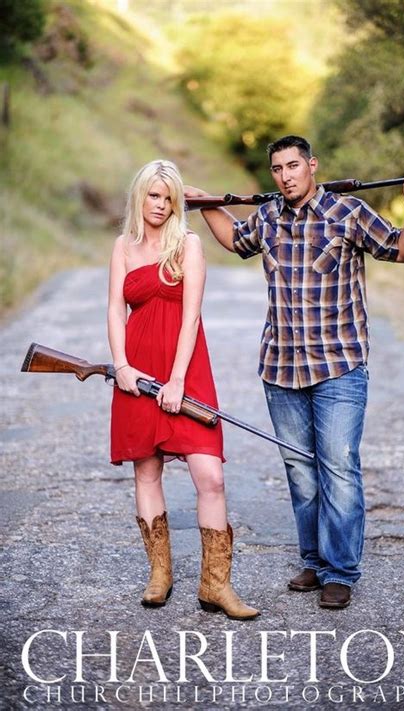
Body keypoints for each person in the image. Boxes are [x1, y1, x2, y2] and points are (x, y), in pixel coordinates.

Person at [185, 135, 404, 609]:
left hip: (339, 366)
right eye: (277, 168)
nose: (285, 175)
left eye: (293, 165)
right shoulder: (267, 216)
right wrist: (205, 203)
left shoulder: (347, 212)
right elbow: (236, 240)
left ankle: (340, 570)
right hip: (280, 368)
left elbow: (402, 250)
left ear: (312, 166)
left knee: (338, 467)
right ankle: (316, 562)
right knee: (301, 471)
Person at [107, 159, 259, 620]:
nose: (160, 204)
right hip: (136, 374)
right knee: (146, 473)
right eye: (153, 195)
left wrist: (175, 379)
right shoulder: (123, 247)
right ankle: (160, 575)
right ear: (140, 196)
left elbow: (190, 317)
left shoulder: (188, 245)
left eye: (169, 197)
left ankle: (216, 585)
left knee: (210, 475)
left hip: (185, 371)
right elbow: (116, 310)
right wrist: (121, 366)